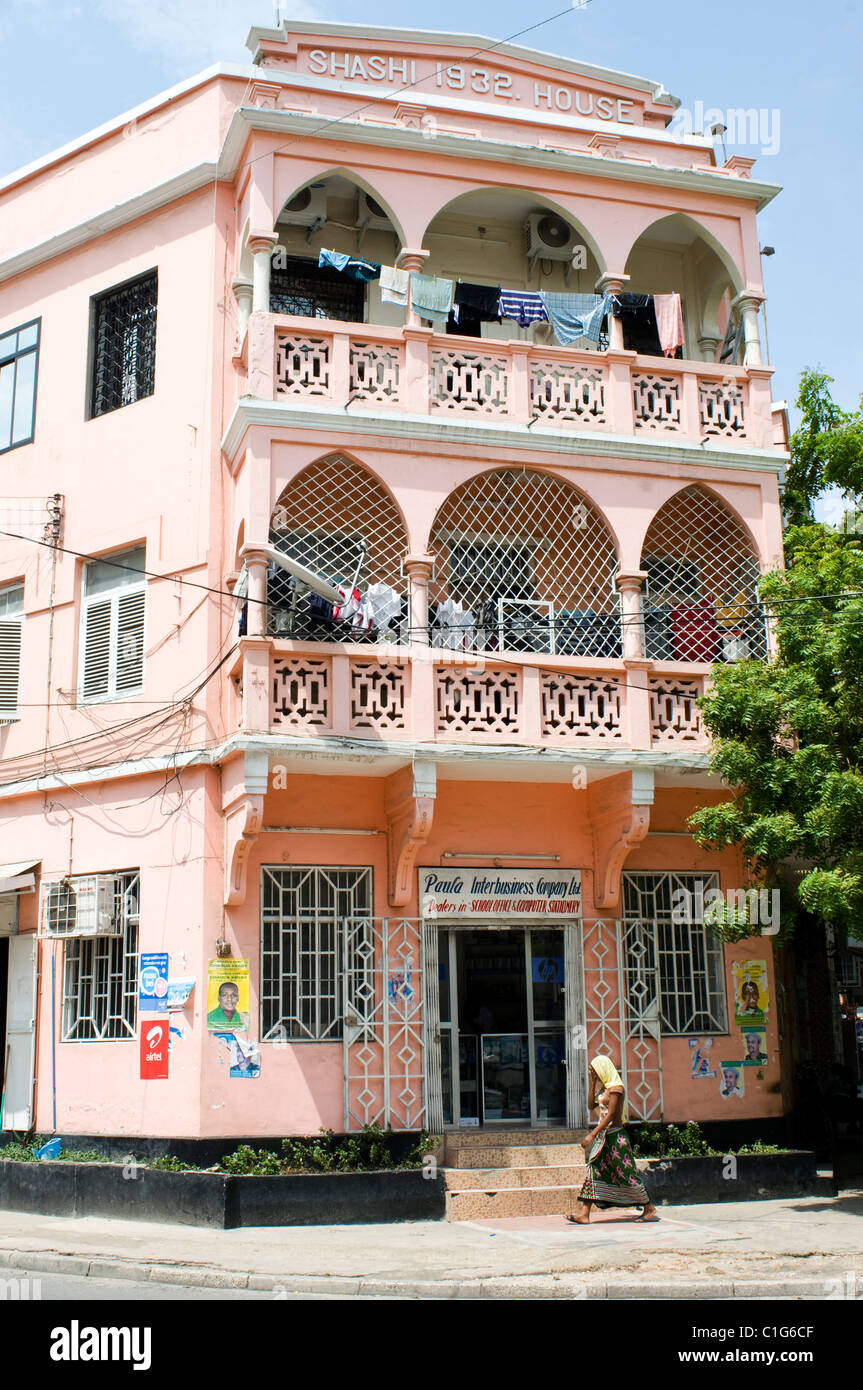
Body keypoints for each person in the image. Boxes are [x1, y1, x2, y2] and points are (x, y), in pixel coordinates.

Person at [566, 1055, 657, 1224]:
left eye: (595, 1072)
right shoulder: (604, 1089)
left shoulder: (616, 1088)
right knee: (594, 1169)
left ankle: (648, 1207)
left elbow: (610, 1116)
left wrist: (591, 1134)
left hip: (616, 1137)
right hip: (604, 1137)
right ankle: (584, 1213)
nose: (594, 1074)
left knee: (627, 1172)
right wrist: (592, 1082)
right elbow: (590, 1105)